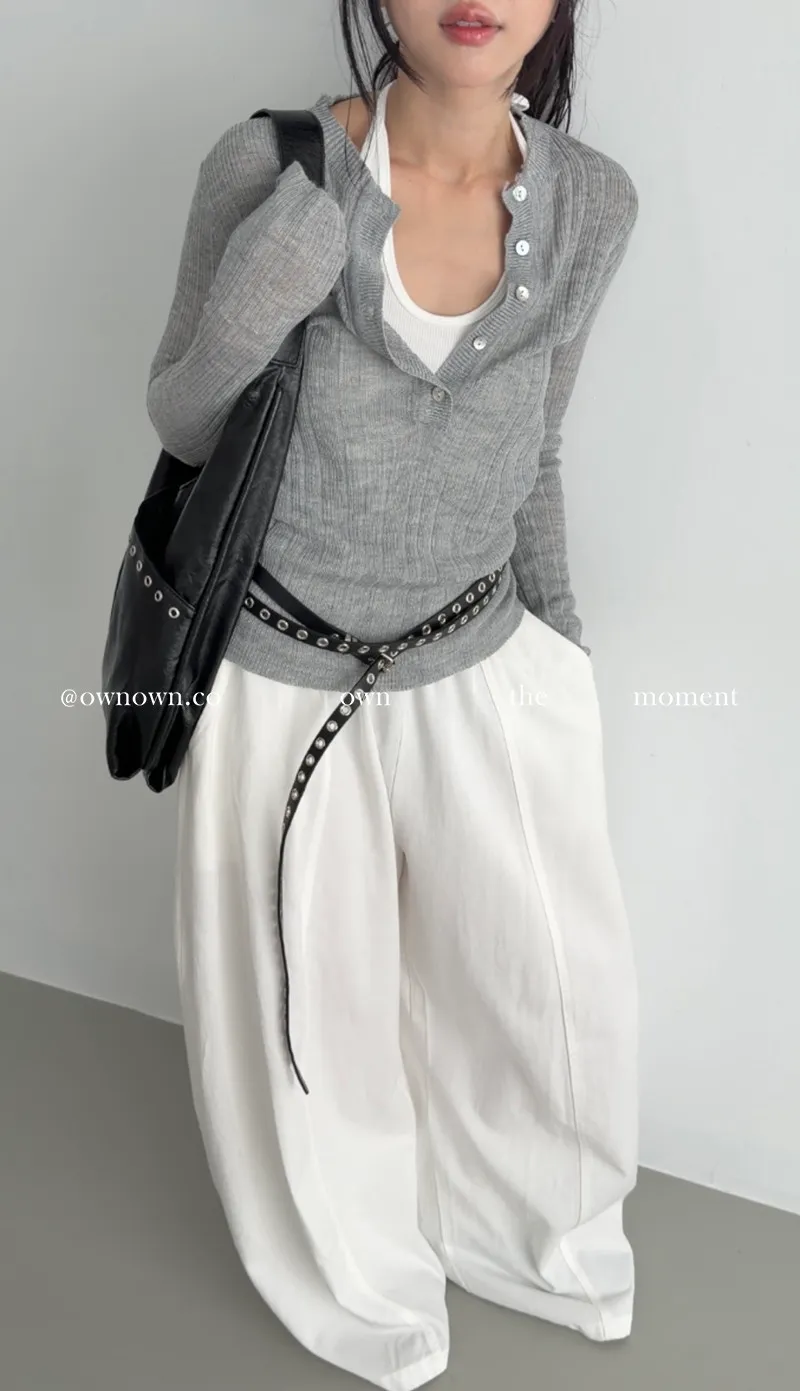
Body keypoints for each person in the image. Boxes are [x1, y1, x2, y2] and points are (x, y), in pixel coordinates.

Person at [148, 2, 641, 1386]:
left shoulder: (593, 203)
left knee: (543, 992)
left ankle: (536, 1233)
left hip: (483, 658)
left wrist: (562, 646)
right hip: (281, 680)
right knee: (316, 1021)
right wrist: (281, 266)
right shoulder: (269, 167)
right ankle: (359, 1273)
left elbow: (539, 447)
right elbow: (183, 418)